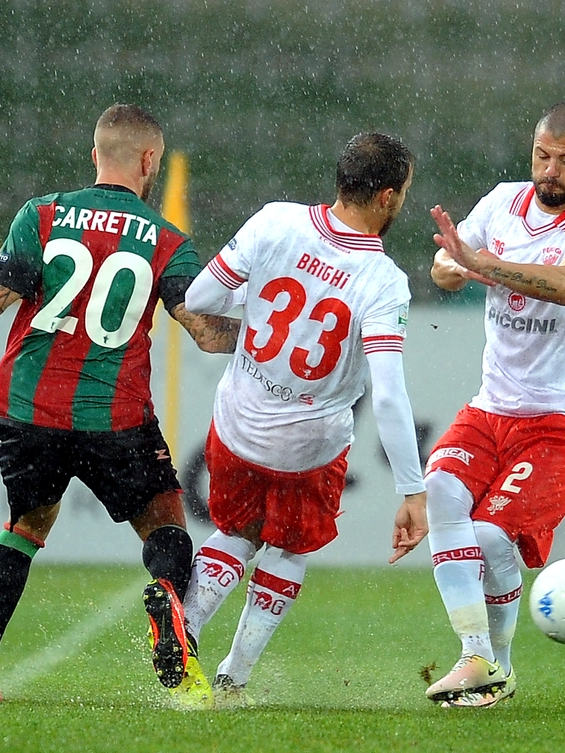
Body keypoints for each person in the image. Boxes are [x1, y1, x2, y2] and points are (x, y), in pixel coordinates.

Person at [0, 104, 240, 703]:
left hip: (29, 407)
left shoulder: (43, 215)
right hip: (114, 414)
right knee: (164, 521)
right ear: (150, 160)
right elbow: (209, 335)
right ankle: (167, 595)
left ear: (94, 156)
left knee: (26, 528)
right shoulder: (168, 241)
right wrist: (275, 327)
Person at [177, 132, 429, 708]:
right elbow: (387, 398)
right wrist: (413, 490)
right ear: (388, 196)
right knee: (288, 549)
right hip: (308, 447)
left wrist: (261, 318)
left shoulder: (274, 222)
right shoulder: (384, 282)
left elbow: (200, 297)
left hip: (236, 426)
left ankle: (185, 628)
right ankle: (233, 678)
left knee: (236, 531)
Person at [424, 103, 565, 707]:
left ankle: (497, 666)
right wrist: (454, 267)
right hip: (493, 406)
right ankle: (477, 659)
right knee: (438, 493)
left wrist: (481, 263)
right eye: (543, 156)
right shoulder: (501, 201)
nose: (550, 171)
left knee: (488, 538)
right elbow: (445, 268)